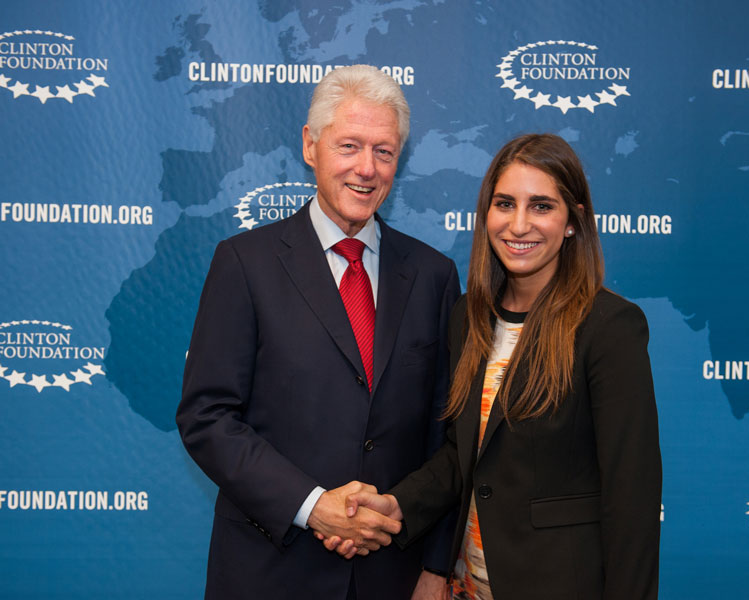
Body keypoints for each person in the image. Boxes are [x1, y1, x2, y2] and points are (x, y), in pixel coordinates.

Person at [327, 133, 662, 599]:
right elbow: (463, 455)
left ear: (573, 221)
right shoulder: (469, 316)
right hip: (468, 587)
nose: (519, 224)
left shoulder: (608, 327)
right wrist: (393, 505)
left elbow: (633, 499)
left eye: (541, 206)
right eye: (505, 203)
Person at [176, 64, 460, 600]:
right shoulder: (244, 263)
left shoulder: (433, 277)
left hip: (392, 575)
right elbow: (206, 416)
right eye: (349, 145)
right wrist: (313, 506)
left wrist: (437, 566)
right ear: (311, 146)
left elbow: (449, 439)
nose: (367, 168)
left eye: (384, 151)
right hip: (270, 571)